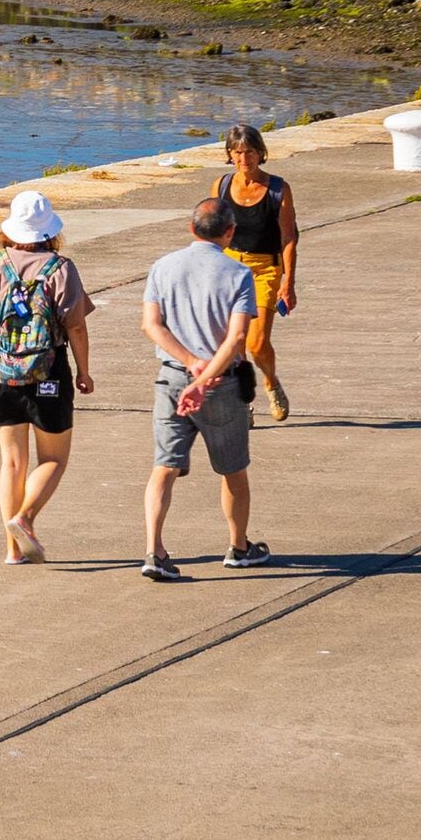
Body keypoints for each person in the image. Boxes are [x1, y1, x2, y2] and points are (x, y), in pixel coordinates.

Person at [0, 190, 93, 563]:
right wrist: (84, 372)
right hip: (47, 372)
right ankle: (26, 517)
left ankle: (12, 550)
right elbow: (76, 327)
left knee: (11, 462)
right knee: (53, 459)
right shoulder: (60, 268)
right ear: (50, 230)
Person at [137, 197, 269, 581]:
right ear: (229, 232)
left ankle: (154, 551)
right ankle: (239, 547)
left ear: (191, 228)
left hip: (171, 378)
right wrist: (206, 373)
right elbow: (237, 337)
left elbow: (152, 325)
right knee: (233, 470)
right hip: (221, 384)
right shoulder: (238, 273)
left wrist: (189, 363)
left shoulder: (162, 267)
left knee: (164, 467)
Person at [211, 124, 299, 423]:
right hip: (230, 267)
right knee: (234, 343)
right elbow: (214, 232)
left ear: (261, 153)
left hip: (265, 269)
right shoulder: (221, 186)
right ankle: (243, 402)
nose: (243, 158)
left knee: (257, 342)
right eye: (236, 152)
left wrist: (289, 281)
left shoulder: (277, 189)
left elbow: (288, 237)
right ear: (229, 155)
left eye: (249, 152)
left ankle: (271, 381)